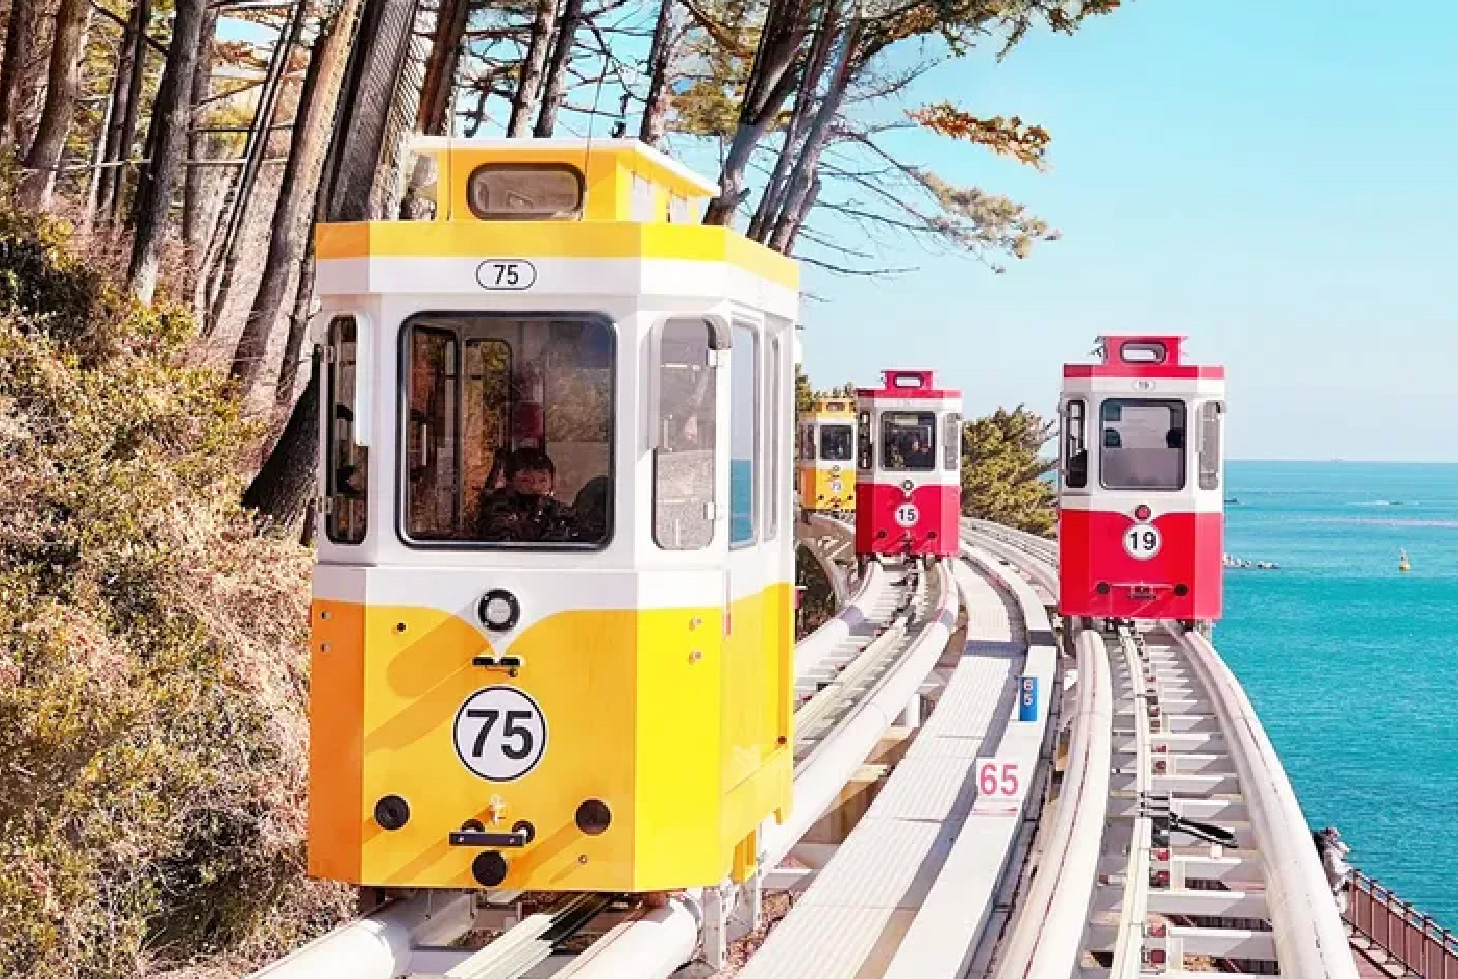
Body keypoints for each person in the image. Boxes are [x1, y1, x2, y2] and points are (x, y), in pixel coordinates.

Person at [476, 448, 576, 543]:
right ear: (509, 481)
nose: (535, 487)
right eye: (525, 480)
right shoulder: (498, 506)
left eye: (542, 480)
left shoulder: (556, 509)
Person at [1314, 825, 1353, 915]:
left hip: (1334, 886)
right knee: (1338, 910)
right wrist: (1347, 868)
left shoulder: (1328, 848)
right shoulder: (1330, 853)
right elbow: (1335, 870)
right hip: (1334, 888)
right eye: (1335, 836)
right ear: (1331, 835)